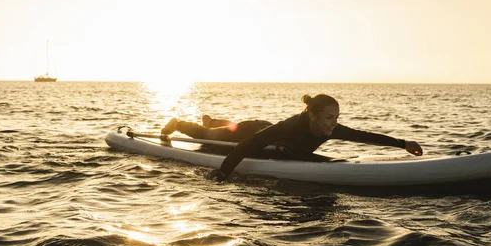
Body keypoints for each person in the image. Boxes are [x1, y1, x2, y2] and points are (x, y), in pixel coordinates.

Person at [201, 94, 423, 181]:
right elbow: (249, 143)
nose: (334, 123)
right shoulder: (290, 127)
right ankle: (181, 125)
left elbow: (363, 136)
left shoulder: (331, 128)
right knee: (206, 136)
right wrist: (223, 172)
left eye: (336, 117)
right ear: (314, 117)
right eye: (329, 117)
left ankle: (215, 122)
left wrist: (402, 144)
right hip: (253, 130)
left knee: (217, 131)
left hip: (271, 138)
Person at [161, 114, 273, 143]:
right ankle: (177, 124)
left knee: (231, 128)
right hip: (257, 129)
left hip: (264, 127)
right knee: (207, 135)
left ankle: (212, 123)